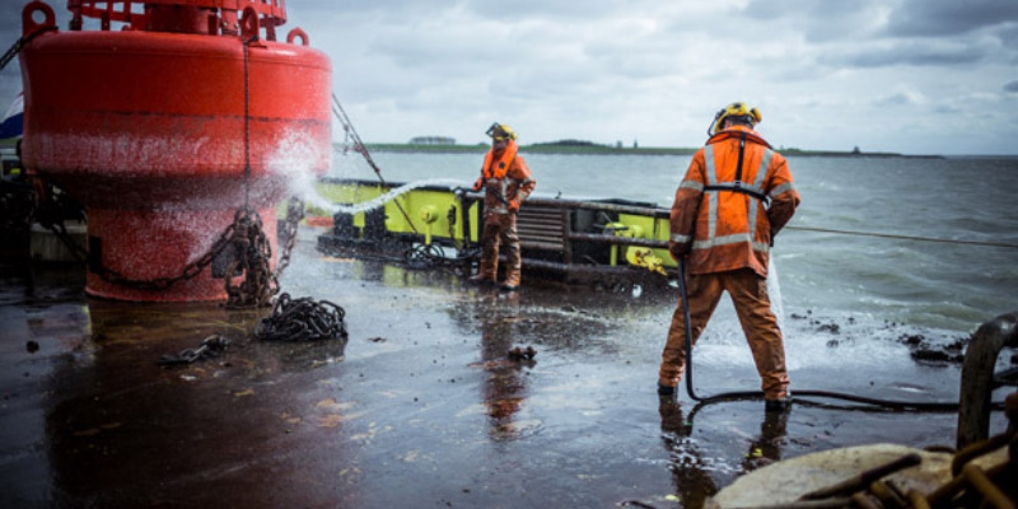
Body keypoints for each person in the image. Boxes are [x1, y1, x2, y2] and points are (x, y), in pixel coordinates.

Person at [658, 102, 800, 412]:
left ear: (722, 124)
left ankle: (667, 383)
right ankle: (777, 392)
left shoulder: (704, 154)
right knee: (762, 326)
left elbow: (685, 202)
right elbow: (788, 199)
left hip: (705, 256)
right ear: (752, 126)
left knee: (687, 321)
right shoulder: (772, 158)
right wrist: (765, 230)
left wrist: (679, 245)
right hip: (745, 256)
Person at [469, 122, 536, 292]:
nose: (495, 144)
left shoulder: (516, 161)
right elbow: (485, 175)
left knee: (511, 244)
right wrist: (479, 182)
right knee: (488, 242)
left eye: (499, 141)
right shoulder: (489, 158)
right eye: (494, 141)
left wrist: (516, 201)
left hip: (506, 210)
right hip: (490, 210)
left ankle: (513, 277)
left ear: (508, 142)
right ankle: (487, 273)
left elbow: (529, 183)